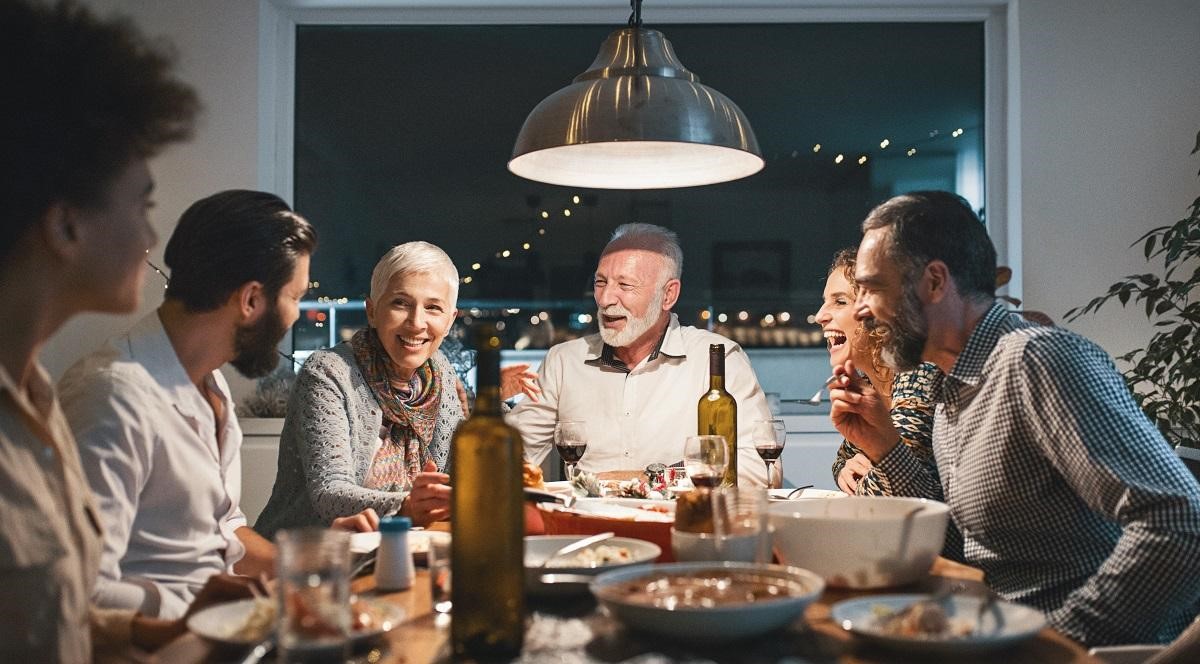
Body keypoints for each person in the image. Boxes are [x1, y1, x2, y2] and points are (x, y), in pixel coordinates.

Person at [832, 190, 1200, 646]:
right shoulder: (954, 387)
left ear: (933, 282)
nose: (861, 308)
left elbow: (1180, 519)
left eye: (872, 287)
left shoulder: (1037, 360)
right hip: (996, 634)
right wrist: (884, 445)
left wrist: (1057, 642)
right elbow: (970, 548)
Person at [0, 1, 254, 659]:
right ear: (66, 225)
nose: (150, 236)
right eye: (141, 204)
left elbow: (50, 617)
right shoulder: (102, 391)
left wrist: (162, 630)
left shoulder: (36, 398)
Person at [58, 190, 375, 622]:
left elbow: (224, 532)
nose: (297, 316)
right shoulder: (113, 398)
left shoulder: (212, 384)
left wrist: (313, 557)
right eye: (294, 297)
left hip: (223, 628)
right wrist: (196, 608)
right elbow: (79, 590)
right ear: (250, 300)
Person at [254, 241, 538, 537]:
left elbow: (460, 470)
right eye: (400, 303)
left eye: (433, 308)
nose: (417, 323)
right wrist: (406, 507)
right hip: (304, 558)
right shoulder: (327, 373)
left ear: (450, 319)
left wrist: (492, 403)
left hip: (400, 547)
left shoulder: (439, 372)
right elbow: (329, 494)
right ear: (372, 311)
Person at [508, 223, 773, 486]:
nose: (605, 299)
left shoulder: (716, 359)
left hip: (678, 524)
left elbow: (758, 470)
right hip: (589, 524)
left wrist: (650, 479)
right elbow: (509, 458)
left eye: (625, 285)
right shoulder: (563, 362)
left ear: (668, 295)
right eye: (601, 282)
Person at [815, 249, 939, 496]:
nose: (820, 316)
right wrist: (843, 470)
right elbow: (844, 459)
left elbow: (889, 492)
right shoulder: (869, 381)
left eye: (839, 302)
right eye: (824, 301)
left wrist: (867, 472)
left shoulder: (917, 370)